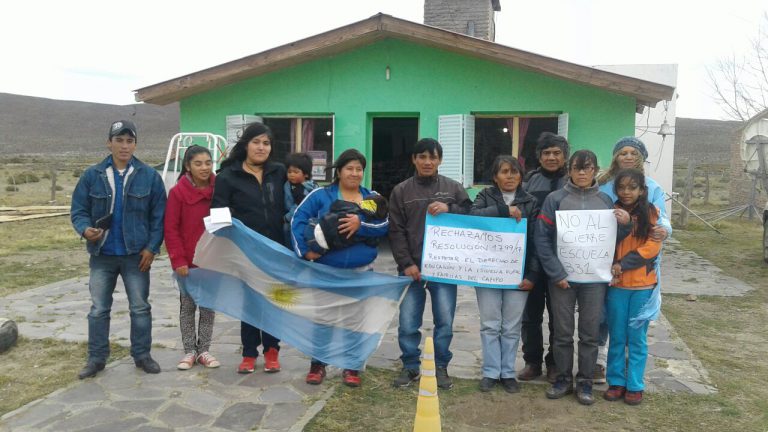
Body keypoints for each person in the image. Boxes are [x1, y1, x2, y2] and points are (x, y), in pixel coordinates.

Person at [70, 119, 167, 379]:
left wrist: (152, 248)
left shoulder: (149, 176)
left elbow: (159, 217)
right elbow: (79, 210)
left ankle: (142, 355)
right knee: (99, 309)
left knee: (140, 307)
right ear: (109, 142)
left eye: (129, 141)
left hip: (136, 255)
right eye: (119, 140)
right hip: (102, 255)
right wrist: (85, 229)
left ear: (135, 144)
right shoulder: (93, 175)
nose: (124, 146)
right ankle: (96, 358)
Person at [535, 150, 630, 405]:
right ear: (569, 171)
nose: (582, 173)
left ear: (595, 170)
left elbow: (613, 241)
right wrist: (556, 272)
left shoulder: (607, 201)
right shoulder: (555, 199)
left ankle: (585, 382)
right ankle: (562, 379)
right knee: (562, 333)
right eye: (577, 168)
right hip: (563, 279)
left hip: (594, 281)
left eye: (587, 168)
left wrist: (626, 224)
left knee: (589, 333)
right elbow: (542, 239)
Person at [291, 149, 389, 387]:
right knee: (324, 319)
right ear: (339, 171)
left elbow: (385, 225)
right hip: (326, 272)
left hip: (361, 271)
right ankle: (318, 364)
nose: (355, 173)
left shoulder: (369, 198)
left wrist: (361, 224)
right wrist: (304, 251)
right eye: (350, 168)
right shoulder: (322, 195)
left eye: (359, 169)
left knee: (356, 320)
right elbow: (298, 219)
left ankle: (351, 366)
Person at [389, 138, 472, 390]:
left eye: (433, 157)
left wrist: (450, 206)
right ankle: (411, 366)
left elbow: (471, 213)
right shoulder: (401, 191)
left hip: (444, 269)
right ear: (414, 159)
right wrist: (406, 264)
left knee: (445, 321)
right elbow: (395, 231)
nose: (427, 162)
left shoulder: (453, 188)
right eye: (422, 157)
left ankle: (440, 366)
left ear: (440, 160)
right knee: (407, 322)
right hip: (411, 270)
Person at [212, 122, 286, 375]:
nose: (261, 147)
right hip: (244, 252)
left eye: (266, 143)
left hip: (277, 250)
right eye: (256, 142)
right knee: (250, 303)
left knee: (274, 300)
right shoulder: (227, 177)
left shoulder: (279, 171)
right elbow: (219, 216)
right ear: (245, 144)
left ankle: (272, 350)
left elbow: (291, 205)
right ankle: (249, 353)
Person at [595, 136, 671, 383]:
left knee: (635, 330)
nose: (627, 156)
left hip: (639, 274)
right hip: (607, 265)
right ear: (615, 156)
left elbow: (660, 221)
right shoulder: (602, 185)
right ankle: (600, 361)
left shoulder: (652, 189)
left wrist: (664, 230)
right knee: (605, 318)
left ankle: (633, 376)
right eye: (622, 152)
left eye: (633, 152)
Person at [469, 155, 540, 393]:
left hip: (517, 273)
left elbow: (537, 240)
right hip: (488, 272)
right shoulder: (483, 197)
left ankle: (508, 372)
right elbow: (472, 217)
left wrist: (532, 273)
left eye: (515, 172)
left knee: (511, 326)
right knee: (490, 324)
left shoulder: (530, 201)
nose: (510, 176)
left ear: (521, 175)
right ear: (494, 176)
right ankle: (490, 372)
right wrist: (503, 210)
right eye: (504, 171)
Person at [603, 169, 662, 406]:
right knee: (617, 336)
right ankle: (616, 382)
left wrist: (623, 264)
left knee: (637, 337)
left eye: (632, 187)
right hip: (616, 287)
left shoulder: (651, 213)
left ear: (641, 190)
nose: (626, 192)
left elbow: (652, 247)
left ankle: (635, 385)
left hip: (642, 286)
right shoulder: (609, 213)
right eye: (622, 187)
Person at [519, 132, 570, 383]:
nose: (551, 157)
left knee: (559, 318)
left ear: (565, 156)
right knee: (530, 316)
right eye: (546, 153)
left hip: (564, 262)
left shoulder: (573, 183)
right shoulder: (528, 182)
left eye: (556, 153)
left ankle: (554, 364)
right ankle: (532, 362)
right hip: (531, 261)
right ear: (539, 156)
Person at [164, 145, 220, 370]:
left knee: (208, 308)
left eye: (208, 163)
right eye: (198, 163)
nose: (204, 168)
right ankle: (189, 350)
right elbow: (171, 229)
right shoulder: (178, 193)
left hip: (213, 261)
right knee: (187, 307)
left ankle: (204, 350)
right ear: (188, 166)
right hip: (187, 263)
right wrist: (178, 260)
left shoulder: (219, 190)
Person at [304, 194, 388, 252]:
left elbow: (335, 205)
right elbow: (372, 243)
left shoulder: (351, 207)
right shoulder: (368, 224)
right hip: (324, 245)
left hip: (315, 228)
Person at [284, 152, 319, 245]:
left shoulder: (302, 189)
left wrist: (287, 218)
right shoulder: (290, 184)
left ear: (306, 174)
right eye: (289, 172)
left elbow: (300, 206)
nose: (291, 174)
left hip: (297, 220)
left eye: (295, 172)